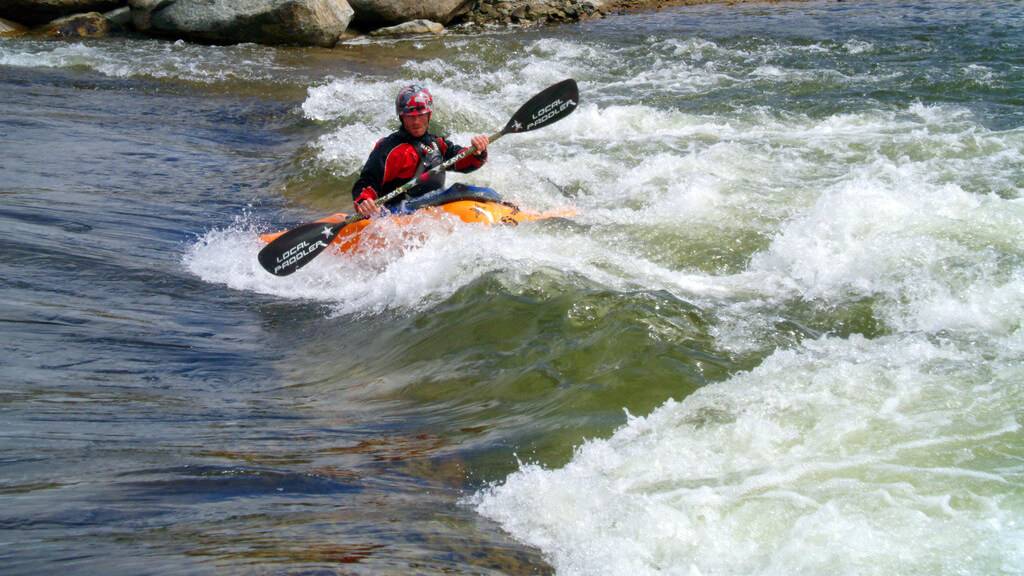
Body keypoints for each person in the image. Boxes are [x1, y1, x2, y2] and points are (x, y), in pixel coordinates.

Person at [351, 84, 491, 218]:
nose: (416, 122)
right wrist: (364, 201)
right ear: (402, 117)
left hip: (432, 204)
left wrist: (477, 151)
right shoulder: (389, 149)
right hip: (400, 212)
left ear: (429, 115)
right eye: (410, 116)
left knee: (476, 192)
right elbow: (367, 182)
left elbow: (463, 163)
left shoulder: (437, 143)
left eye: (421, 115)